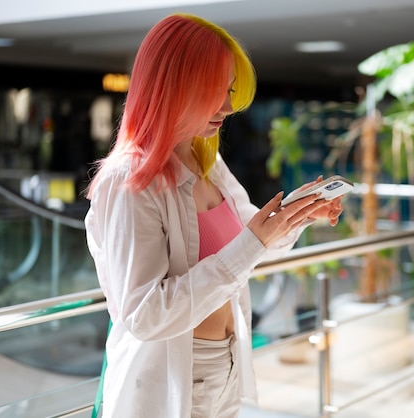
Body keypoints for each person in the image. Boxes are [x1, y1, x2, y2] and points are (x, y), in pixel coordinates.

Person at [84, 13, 343, 418]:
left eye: (229, 89)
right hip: (169, 381)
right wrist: (254, 240)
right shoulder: (128, 181)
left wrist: (297, 213)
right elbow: (144, 314)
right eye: (211, 91)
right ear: (171, 87)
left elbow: (251, 243)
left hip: (226, 365)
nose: (226, 105)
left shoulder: (207, 161)